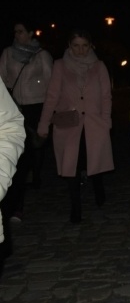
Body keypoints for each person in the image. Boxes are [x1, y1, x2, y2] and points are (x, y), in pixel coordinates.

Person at [37, 29, 114, 224]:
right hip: (69, 125)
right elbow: (52, 96)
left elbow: (106, 95)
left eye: (84, 46)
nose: (80, 50)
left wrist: (106, 121)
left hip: (94, 124)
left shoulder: (99, 66)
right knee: (71, 166)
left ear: (91, 46)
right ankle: (76, 207)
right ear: (69, 46)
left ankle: (98, 185)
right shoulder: (60, 66)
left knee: (92, 161)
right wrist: (44, 123)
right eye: (76, 45)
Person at [0, 21, 53, 223]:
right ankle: (17, 206)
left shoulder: (42, 55)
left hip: (36, 107)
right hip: (15, 108)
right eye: (15, 31)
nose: (16, 34)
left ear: (31, 33)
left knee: (35, 149)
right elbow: (2, 80)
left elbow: (51, 85)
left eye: (20, 31)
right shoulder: (7, 53)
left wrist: (50, 112)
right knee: (18, 156)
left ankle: (36, 175)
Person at [0, 84, 27, 244]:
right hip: (16, 99)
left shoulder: (42, 58)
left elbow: (9, 127)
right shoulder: (7, 58)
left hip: (31, 105)